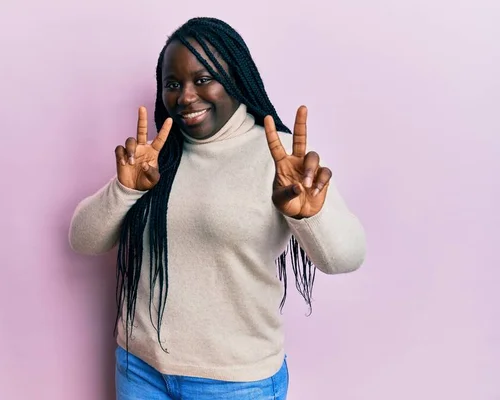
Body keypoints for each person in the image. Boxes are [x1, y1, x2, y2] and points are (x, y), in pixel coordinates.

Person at [68, 16, 366, 400]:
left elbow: (346, 257)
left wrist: (309, 214)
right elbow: (82, 239)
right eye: (173, 85)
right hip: (139, 369)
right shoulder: (156, 157)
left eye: (204, 79)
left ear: (236, 79)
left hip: (236, 382)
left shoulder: (280, 161)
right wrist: (124, 189)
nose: (186, 96)